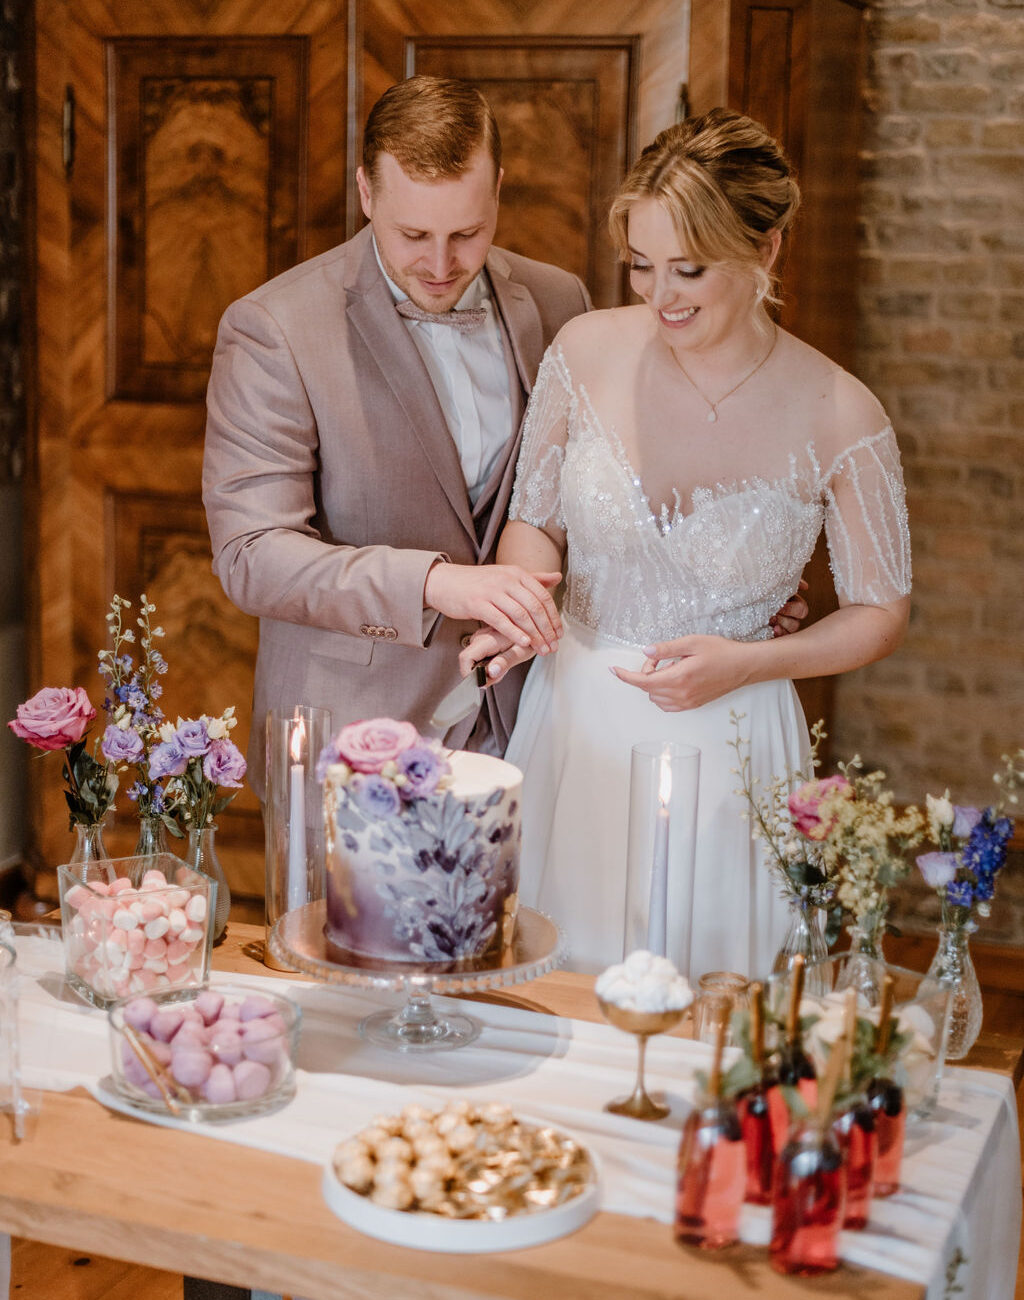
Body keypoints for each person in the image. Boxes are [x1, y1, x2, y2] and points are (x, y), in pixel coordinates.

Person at [460, 108, 911, 979]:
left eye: (689, 269)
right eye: (640, 266)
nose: (660, 296)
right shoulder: (585, 350)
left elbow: (880, 612)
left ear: (767, 249)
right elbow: (535, 521)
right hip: (573, 721)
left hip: (729, 736)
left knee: (706, 1002)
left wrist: (748, 664)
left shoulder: (840, 412)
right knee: (550, 988)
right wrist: (522, 600)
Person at [203, 76, 590, 795]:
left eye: (466, 234)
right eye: (413, 235)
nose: (440, 266)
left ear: (499, 190)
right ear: (366, 193)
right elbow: (251, 554)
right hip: (354, 739)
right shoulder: (275, 328)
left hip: (533, 723)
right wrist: (437, 583)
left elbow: (593, 498)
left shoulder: (563, 302)